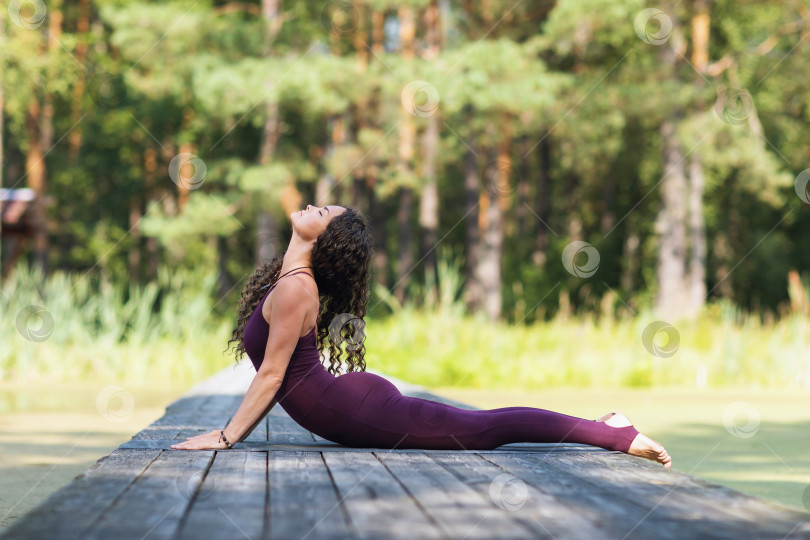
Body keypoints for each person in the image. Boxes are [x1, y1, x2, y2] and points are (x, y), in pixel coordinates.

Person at [171, 204, 672, 468]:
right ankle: (606, 424)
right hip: (351, 403)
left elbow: (274, 374)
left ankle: (615, 434)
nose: (312, 206)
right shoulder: (291, 283)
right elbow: (276, 373)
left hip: (360, 411)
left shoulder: (298, 289)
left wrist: (224, 436)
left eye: (323, 213)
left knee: (486, 430)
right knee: (481, 429)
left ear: (324, 240)